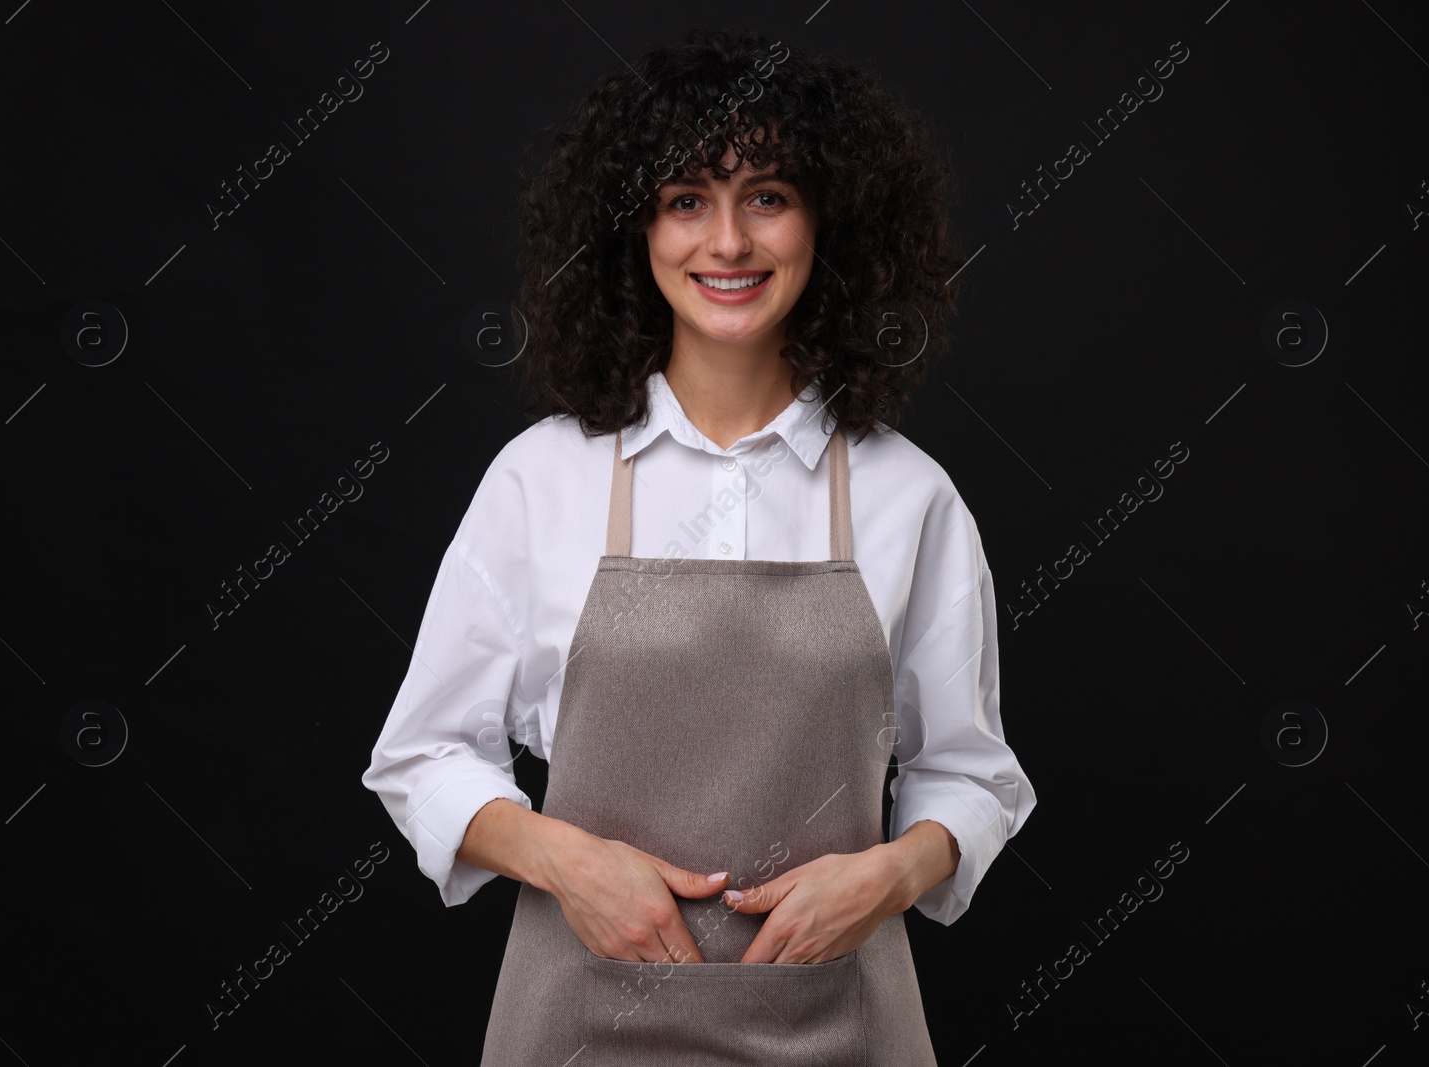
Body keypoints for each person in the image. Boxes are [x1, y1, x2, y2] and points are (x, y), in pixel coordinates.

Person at [362, 27, 1036, 1064]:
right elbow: (419, 756)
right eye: (685, 200)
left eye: (766, 195)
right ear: (634, 230)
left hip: (841, 1019)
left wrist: (893, 872)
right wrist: (565, 861)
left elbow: (973, 776)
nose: (726, 242)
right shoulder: (544, 478)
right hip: (579, 1018)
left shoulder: (910, 495)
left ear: (829, 223)